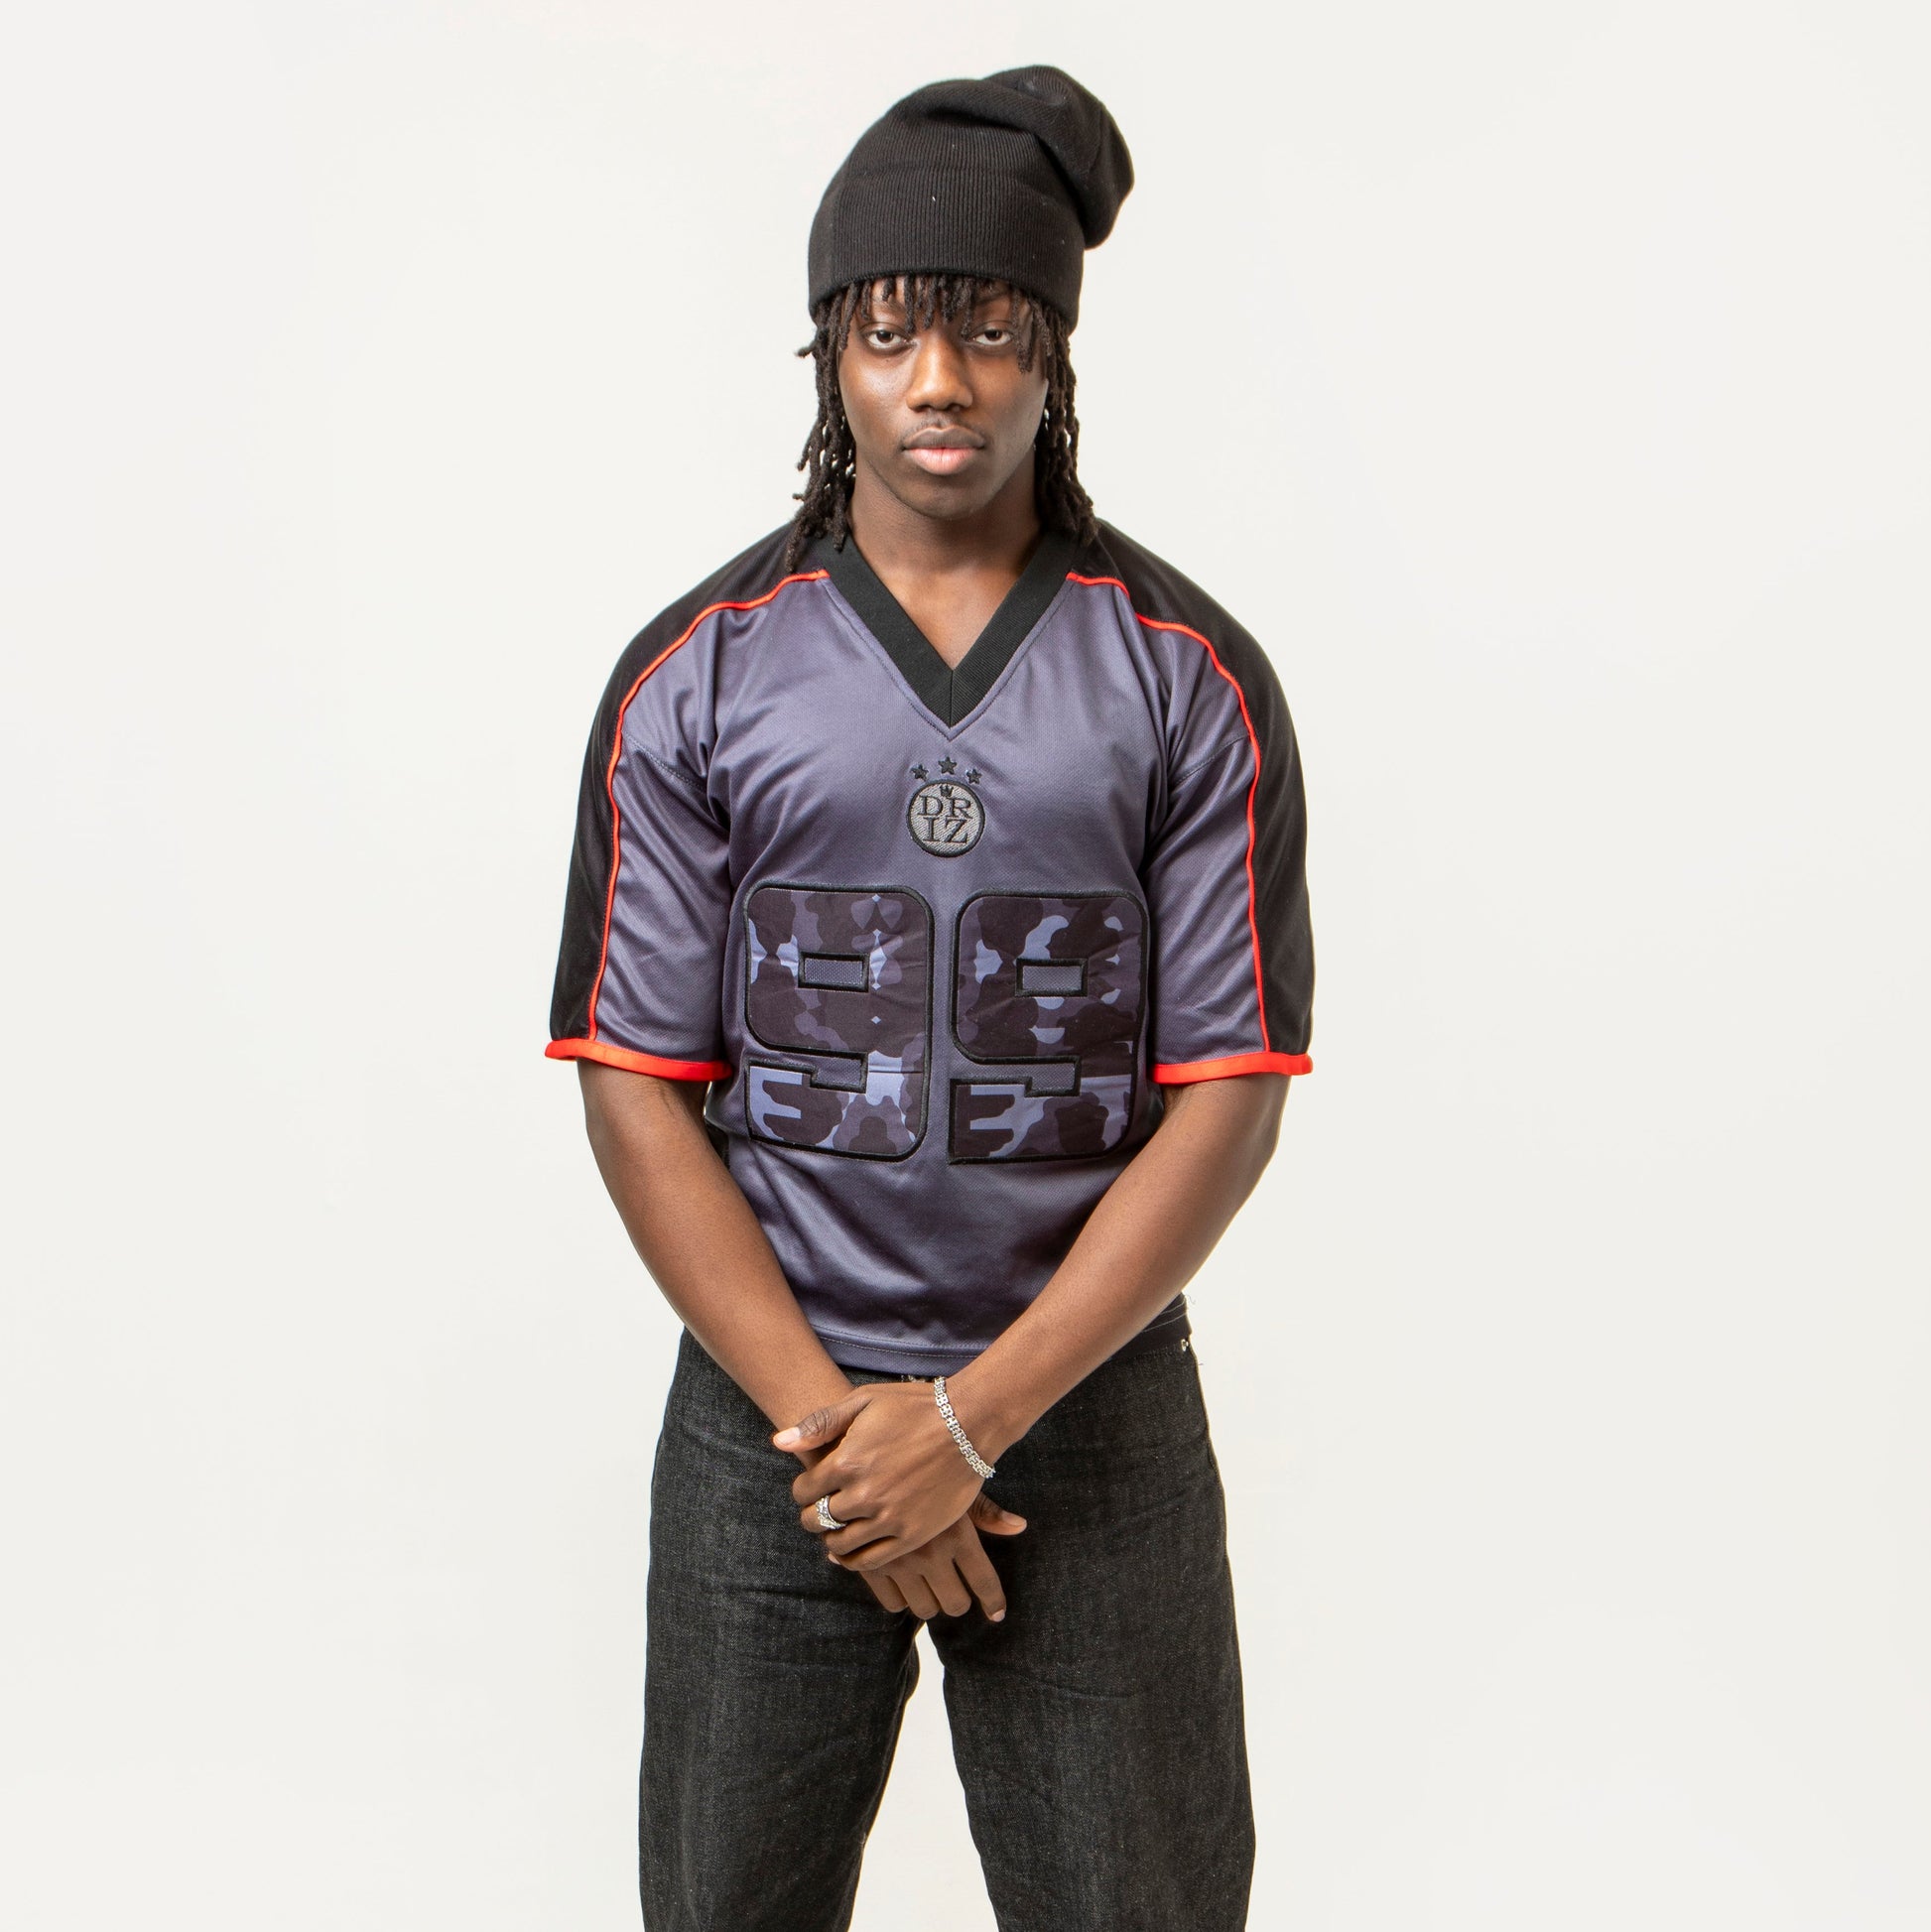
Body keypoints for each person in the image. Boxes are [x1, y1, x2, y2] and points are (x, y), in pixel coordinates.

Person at [545, 64, 1315, 1932]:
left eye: (987, 329)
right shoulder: (699, 673)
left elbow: (1229, 1088)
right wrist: (843, 1436)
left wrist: (969, 1422)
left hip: (1085, 1409)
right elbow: (634, 1077)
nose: (940, 381)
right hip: (771, 1412)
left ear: (1054, 350)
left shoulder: (1185, 673)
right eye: (889, 334)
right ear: (831, 357)